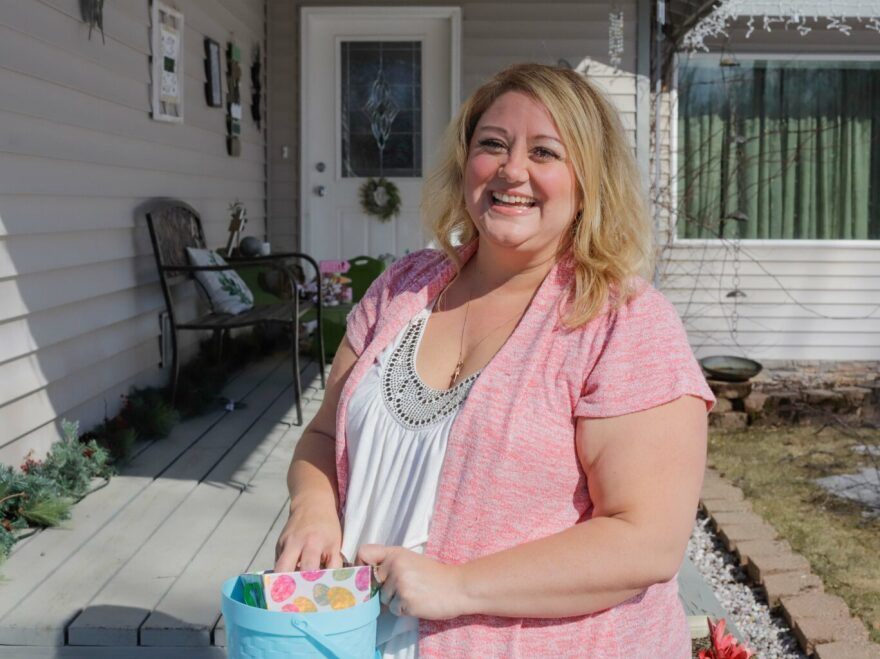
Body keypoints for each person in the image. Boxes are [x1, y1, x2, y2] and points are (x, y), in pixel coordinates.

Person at [275, 63, 714, 657]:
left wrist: (458, 586)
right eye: (493, 145)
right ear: (465, 166)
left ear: (589, 181)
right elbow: (325, 433)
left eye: (545, 152)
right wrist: (313, 508)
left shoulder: (623, 323)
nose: (512, 171)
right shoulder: (402, 288)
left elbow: (647, 542)